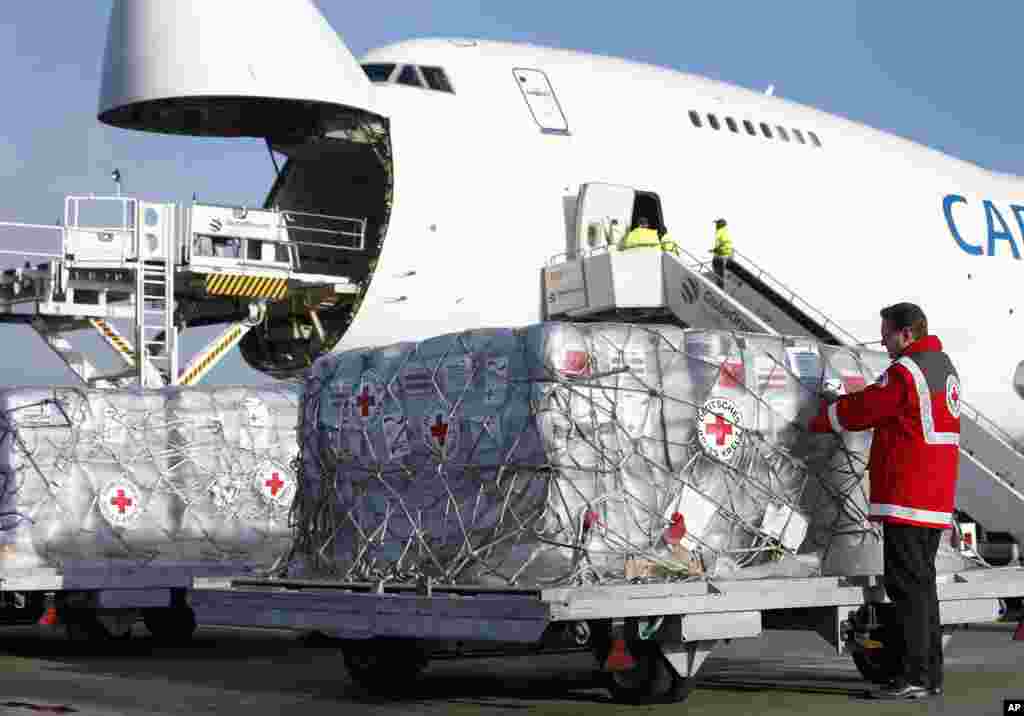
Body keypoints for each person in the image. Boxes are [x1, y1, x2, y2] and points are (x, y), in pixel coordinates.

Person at [808, 302, 959, 701]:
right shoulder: (943, 367)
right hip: (934, 494)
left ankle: (912, 676)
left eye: (887, 332)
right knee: (922, 588)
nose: (883, 340)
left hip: (908, 493)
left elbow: (869, 407)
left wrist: (827, 414)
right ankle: (929, 675)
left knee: (906, 588)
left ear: (906, 333)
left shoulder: (906, 372)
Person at [710, 218, 732, 288]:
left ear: (721, 224)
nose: (716, 225)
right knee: (721, 274)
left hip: (720, 255)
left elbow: (720, 243)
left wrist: (715, 250)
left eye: (717, 223)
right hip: (726, 255)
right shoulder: (726, 232)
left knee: (718, 273)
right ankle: (721, 287)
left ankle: (719, 287)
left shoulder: (720, 232)